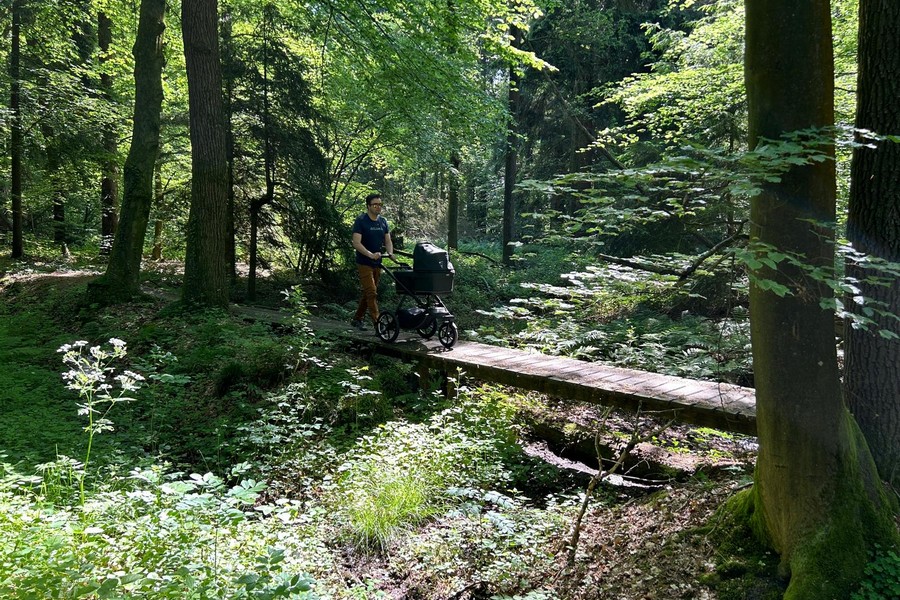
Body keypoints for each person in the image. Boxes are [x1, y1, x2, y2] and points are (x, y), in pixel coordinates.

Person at [350, 193, 394, 330]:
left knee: (368, 293)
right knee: (372, 292)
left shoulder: (383, 221)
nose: (378, 207)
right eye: (375, 205)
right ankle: (378, 324)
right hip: (364, 262)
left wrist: (390, 253)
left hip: (377, 262)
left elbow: (387, 240)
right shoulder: (361, 221)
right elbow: (356, 243)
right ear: (368, 206)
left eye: (380, 205)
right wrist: (369, 254)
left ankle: (357, 319)